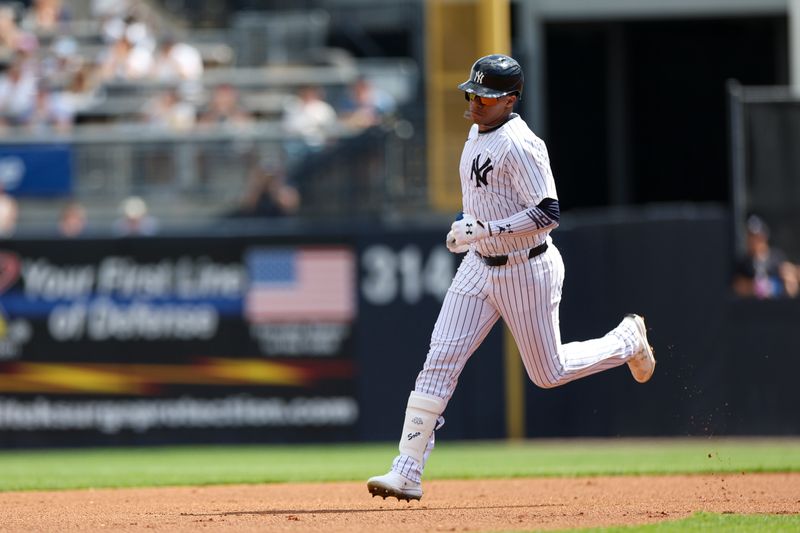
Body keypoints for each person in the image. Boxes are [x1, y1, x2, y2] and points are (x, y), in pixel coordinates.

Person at [366, 55, 656, 502]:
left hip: (527, 267)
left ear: (511, 99)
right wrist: (465, 226)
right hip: (479, 266)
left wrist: (486, 230)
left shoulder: (520, 144)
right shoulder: (475, 133)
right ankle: (406, 471)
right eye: (472, 92)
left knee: (548, 373)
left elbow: (548, 212)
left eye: (485, 95)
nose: (475, 101)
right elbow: (484, 200)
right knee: (439, 360)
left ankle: (627, 341)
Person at [732, 215, 799, 299]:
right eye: (750, 237)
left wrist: (788, 279)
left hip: (776, 306)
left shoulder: (776, 258)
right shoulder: (744, 263)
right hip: (752, 307)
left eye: (756, 238)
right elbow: (737, 287)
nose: (753, 241)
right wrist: (754, 287)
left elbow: (790, 285)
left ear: (764, 238)